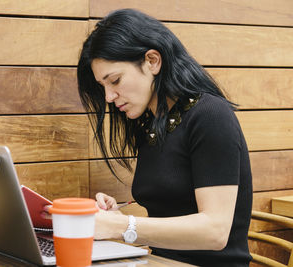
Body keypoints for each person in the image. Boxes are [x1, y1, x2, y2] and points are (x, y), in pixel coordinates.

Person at [76, 9, 253, 266]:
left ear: (152, 61)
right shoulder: (150, 123)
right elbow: (172, 214)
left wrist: (123, 226)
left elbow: (215, 232)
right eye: (103, 87)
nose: (109, 97)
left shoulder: (211, 116)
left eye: (114, 80)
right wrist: (116, 219)